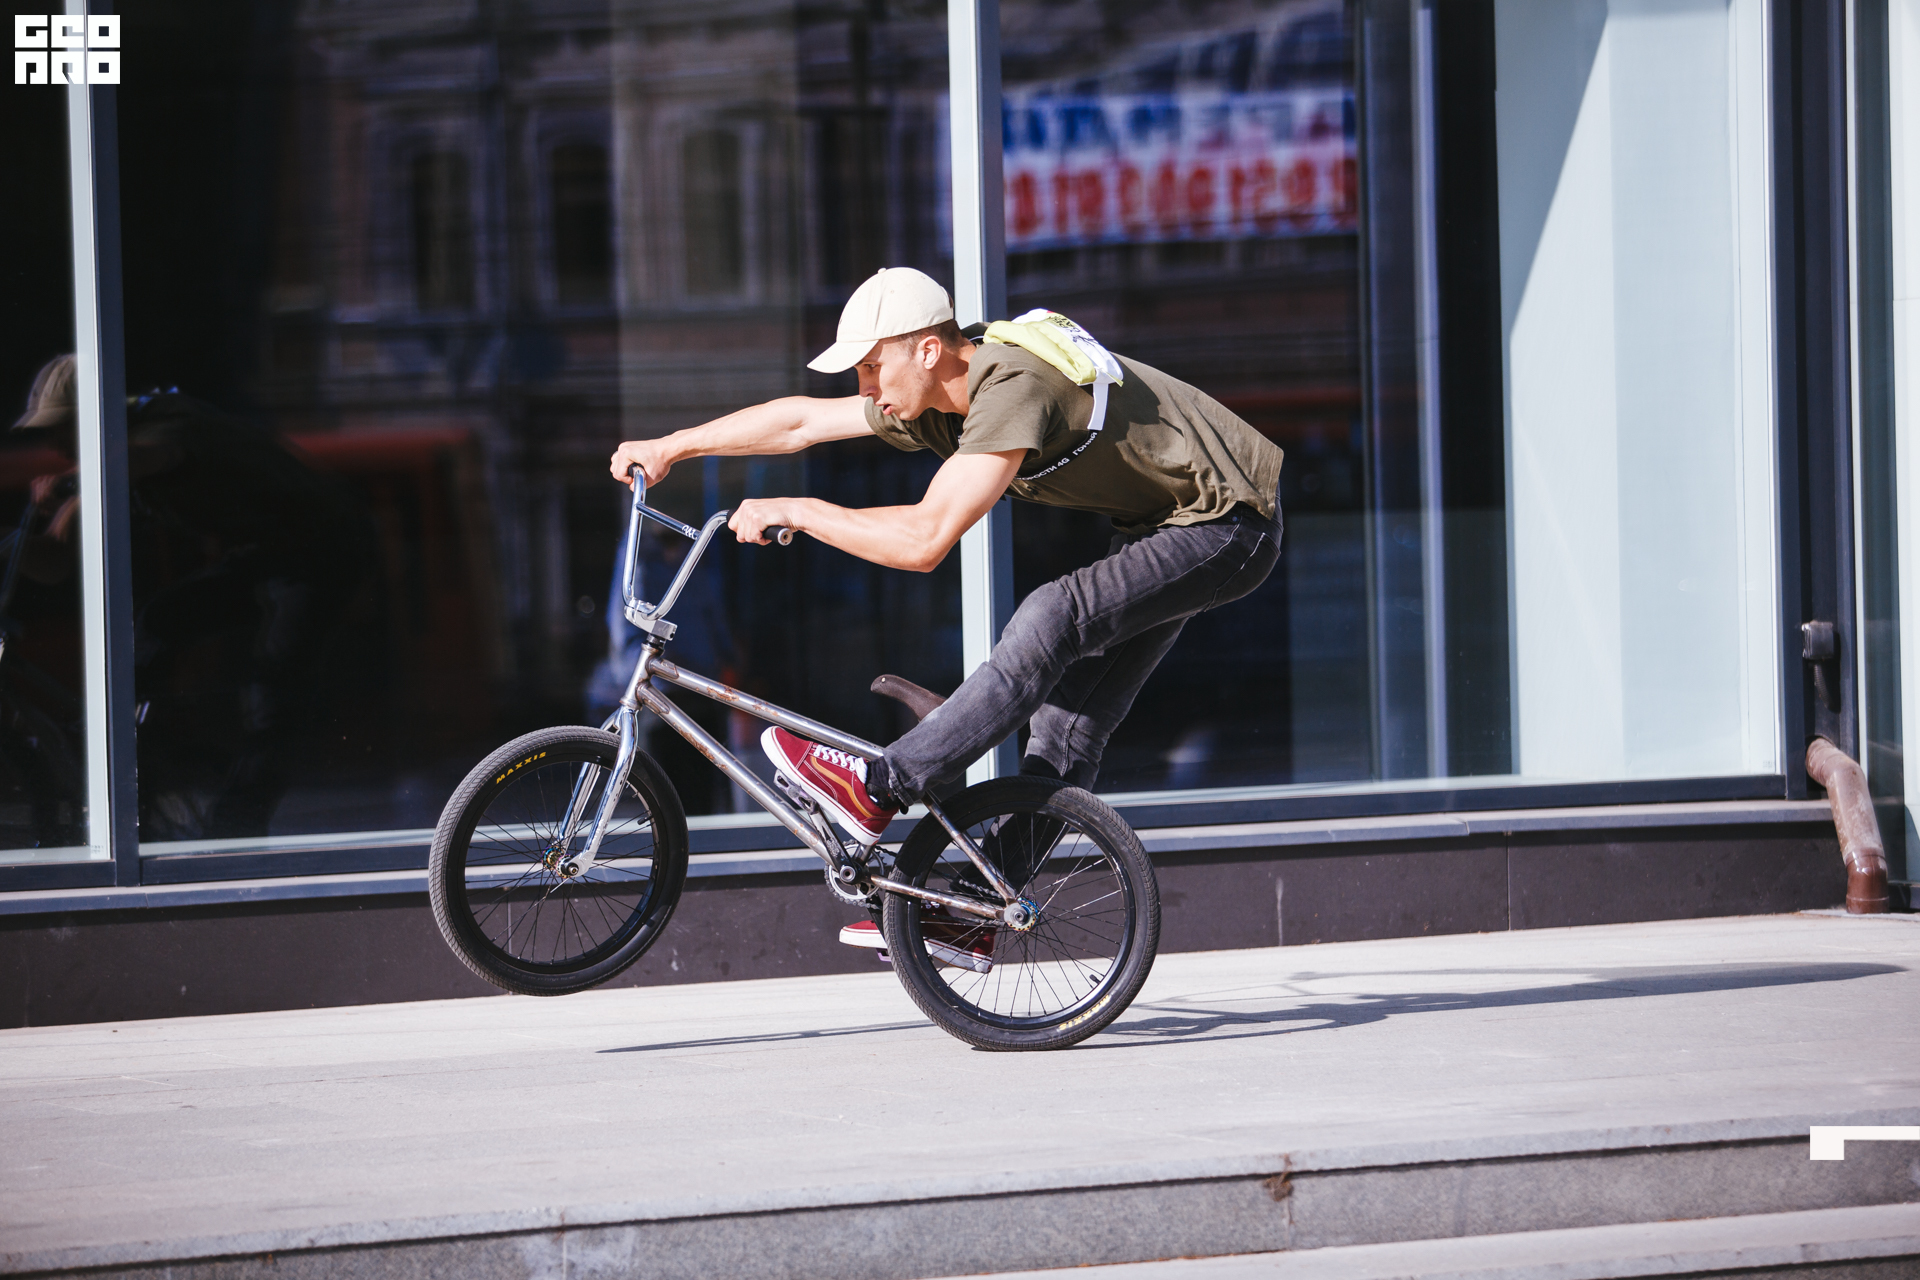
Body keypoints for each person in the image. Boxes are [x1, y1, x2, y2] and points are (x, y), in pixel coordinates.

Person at [608, 267, 1283, 957]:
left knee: (1053, 613)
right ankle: (975, 908)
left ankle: (881, 784)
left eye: (872, 367)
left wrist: (800, 510)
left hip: (1227, 525)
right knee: (1066, 730)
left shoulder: (1011, 387)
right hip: (1161, 527)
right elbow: (802, 421)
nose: (864, 388)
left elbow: (925, 540)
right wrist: (671, 447)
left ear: (928, 350)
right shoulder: (930, 396)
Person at [13, 354, 377, 838]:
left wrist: (71, 481)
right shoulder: (107, 468)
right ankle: (133, 749)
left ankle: (238, 826)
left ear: (99, 416)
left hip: (325, 547)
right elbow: (56, 560)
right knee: (158, 622)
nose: (56, 446)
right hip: (263, 554)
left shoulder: (167, 420)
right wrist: (10, 549)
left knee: (275, 690)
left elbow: (148, 456)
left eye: (63, 429)